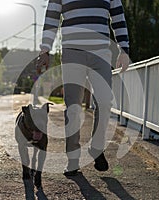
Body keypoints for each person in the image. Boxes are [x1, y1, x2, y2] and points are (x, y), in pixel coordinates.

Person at [37, 0, 130, 176]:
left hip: (101, 53)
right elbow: (52, 17)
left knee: (104, 102)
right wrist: (45, 50)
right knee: (73, 107)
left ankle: (96, 148)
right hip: (72, 52)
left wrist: (124, 49)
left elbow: (118, 17)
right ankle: (73, 160)